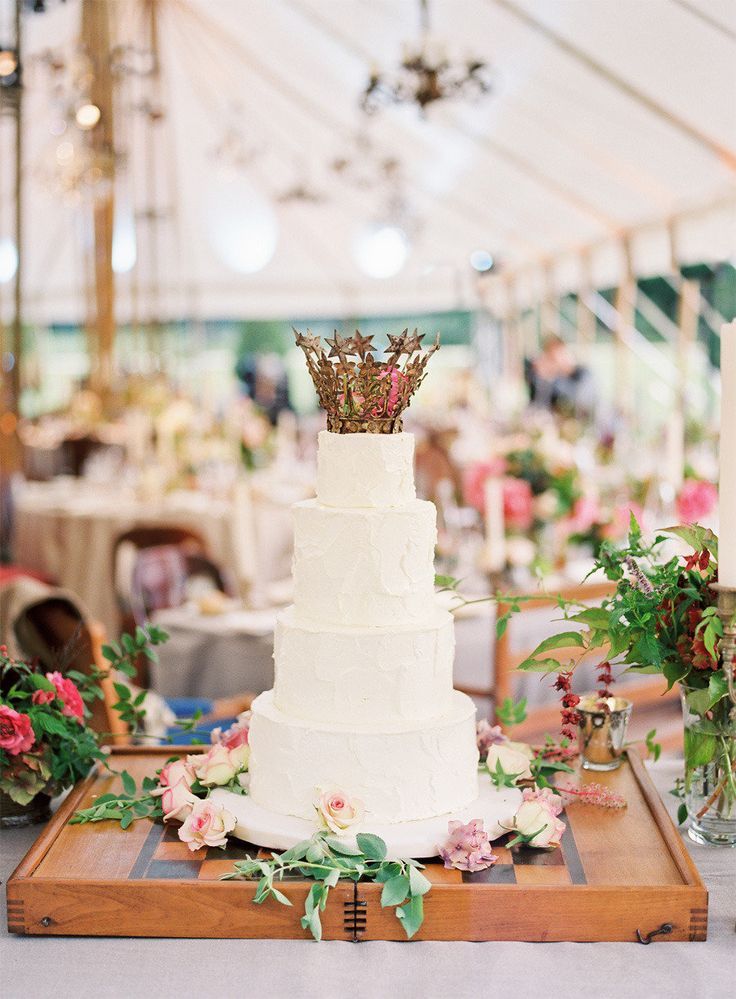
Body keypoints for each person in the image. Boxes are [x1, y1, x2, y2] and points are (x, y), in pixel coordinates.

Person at [525, 335, 595, 418]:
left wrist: (553, 377)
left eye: (554, 358)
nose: (552, 363)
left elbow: (579, 399)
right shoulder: (547, 378)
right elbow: (538, 405)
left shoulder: (583, 374)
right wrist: (542, 378)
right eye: (549, 358)